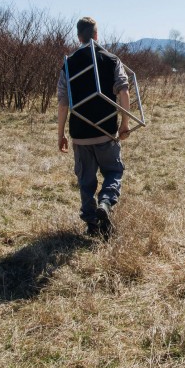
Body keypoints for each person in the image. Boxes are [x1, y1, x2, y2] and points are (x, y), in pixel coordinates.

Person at [57, 17, 131, 238]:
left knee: (86, 181)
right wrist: (125, 124)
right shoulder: (111, 59)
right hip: (106, 132)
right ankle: (106, 203)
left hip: (80, 134)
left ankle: (92, 225)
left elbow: (63, 102)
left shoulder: (69, 63)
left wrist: (60, 134)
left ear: (79, 37)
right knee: (114, 171)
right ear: (97, 35)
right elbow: (124, 91)